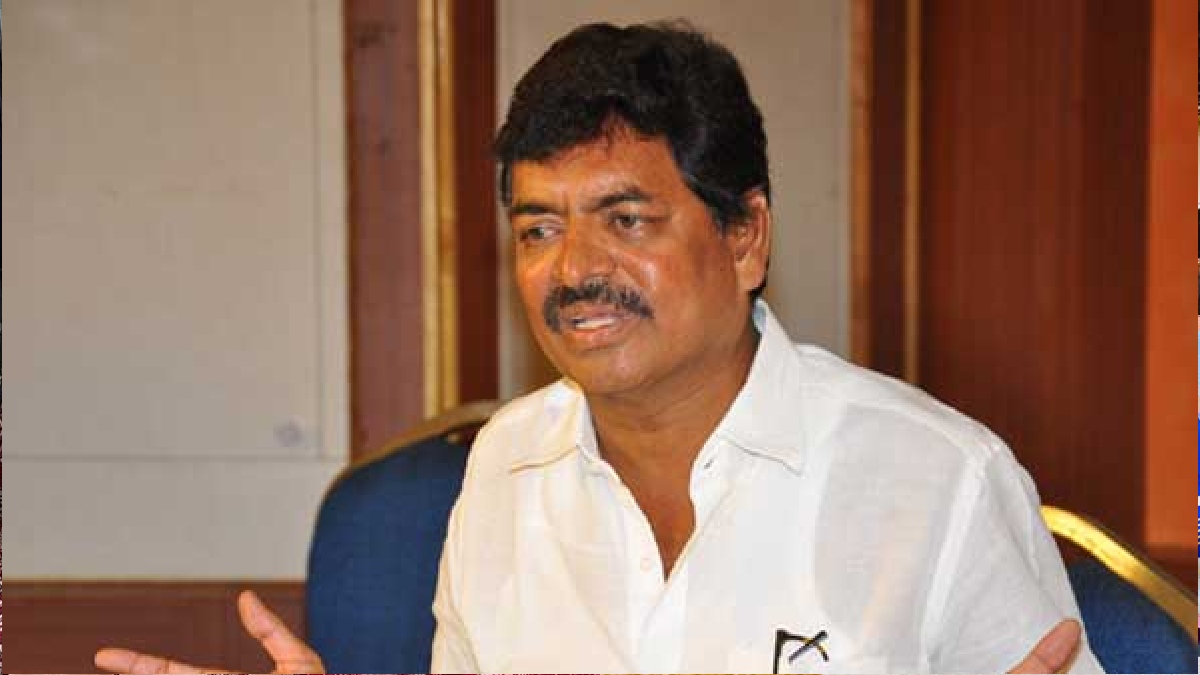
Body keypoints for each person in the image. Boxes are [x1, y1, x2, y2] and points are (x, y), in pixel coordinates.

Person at [97, 20, 1100, 674]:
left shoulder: (936, 480)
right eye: (538, 228)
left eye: (626, 219)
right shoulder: (505, 468)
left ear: (744, 236)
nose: (573, 268)